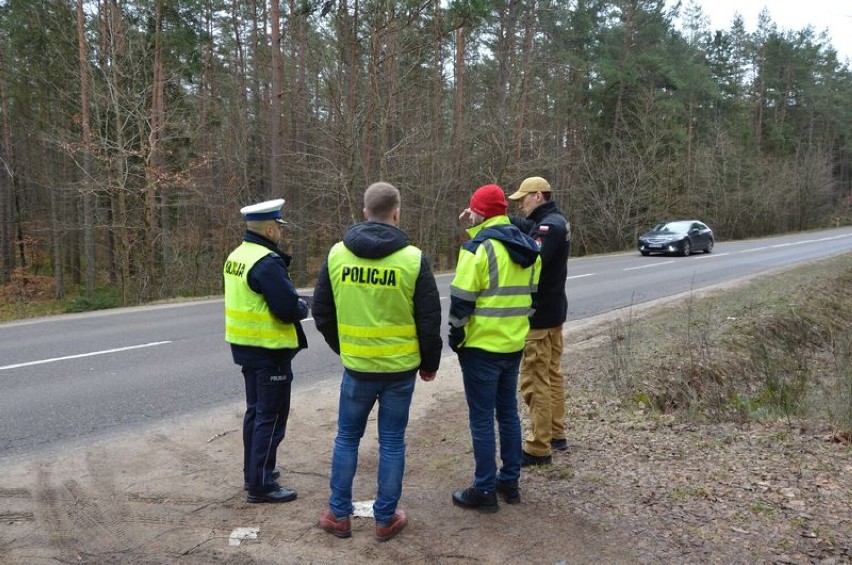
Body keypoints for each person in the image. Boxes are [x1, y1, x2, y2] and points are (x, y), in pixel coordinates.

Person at [313, 182, 442, 542]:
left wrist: (346, 348)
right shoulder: (413, 259)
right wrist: (429, 363)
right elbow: (429, 320)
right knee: (392, 442)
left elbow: (321, 311)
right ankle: (385, 519)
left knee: (347, 438)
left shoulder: (338, 255)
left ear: (365, 211)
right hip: (400, 371)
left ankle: (338, 514)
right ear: (396, 213)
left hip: (358, 368)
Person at [449, 184, 541, 513]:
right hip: (513, 345)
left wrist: (455, 336)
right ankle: (510, 483)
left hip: (481, 348)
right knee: (508, 415)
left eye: (472, 208)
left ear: (482, 213)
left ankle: (484, 490)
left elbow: (461, 302)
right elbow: (532, 299)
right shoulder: (529, 248)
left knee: (482, 420)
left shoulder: (478, 248)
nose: (468, 212)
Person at [223, 198, 309, 503]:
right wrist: (303, 306)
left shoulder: (238, 255)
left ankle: (255, 474)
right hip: (269, 349)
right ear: (271, 229)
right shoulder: (266, 261)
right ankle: (261, 485)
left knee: (256, 413)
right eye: (280, 227)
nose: (281, 233)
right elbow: (287, 308)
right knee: (270, 417)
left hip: (246, 348)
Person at [507, 176, 571, 466]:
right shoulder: (556, 221)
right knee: (552, 374)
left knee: (536, 380)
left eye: (524, 198)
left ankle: (538, 446)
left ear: (538, 196)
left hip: (540, 317)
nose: (521, 204)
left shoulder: (549, 227)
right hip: (554, 312)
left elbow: (530, 256)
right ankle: (556, 434)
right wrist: (501, 219)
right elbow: (529, 228)